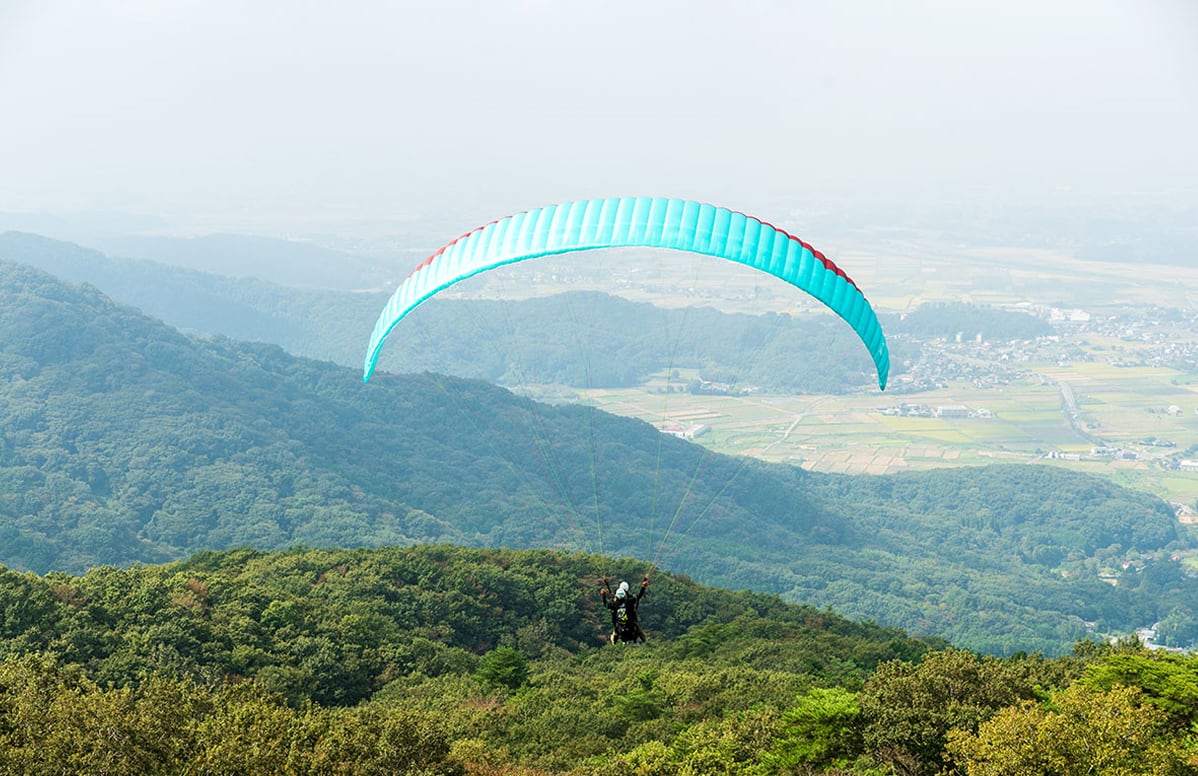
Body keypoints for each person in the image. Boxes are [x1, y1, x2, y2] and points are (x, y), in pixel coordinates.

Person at [600, 576, 649, 644]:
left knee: (614, 636)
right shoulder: (629, 601)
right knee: (642, 635)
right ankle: (643, 642)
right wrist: (643, 587)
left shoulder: (615, 603)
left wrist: (603, 596)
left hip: (619, 626)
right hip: (631, 624)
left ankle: (615, 643)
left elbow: (606, 605)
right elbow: (638, 596)